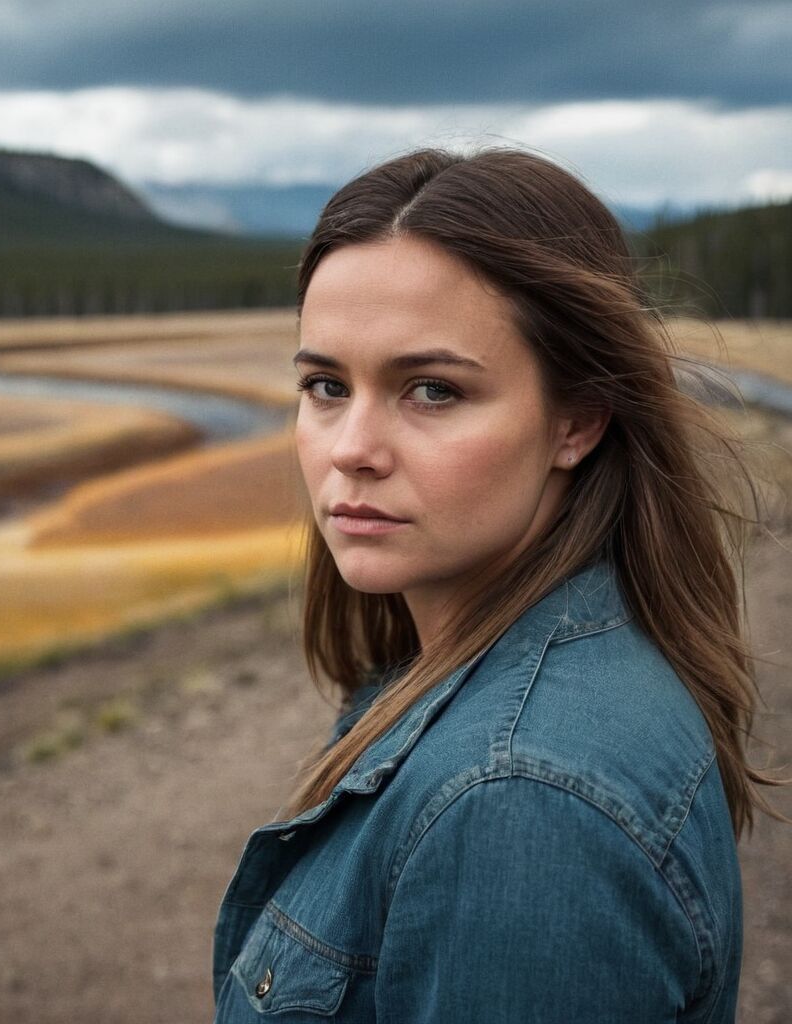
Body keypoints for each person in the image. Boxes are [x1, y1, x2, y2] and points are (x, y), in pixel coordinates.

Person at [210, 147, 782, 1023]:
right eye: (325, 385)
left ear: (577, 420)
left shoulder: (521, 804)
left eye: (432, 391)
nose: (351, 448)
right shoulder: (543, 676)